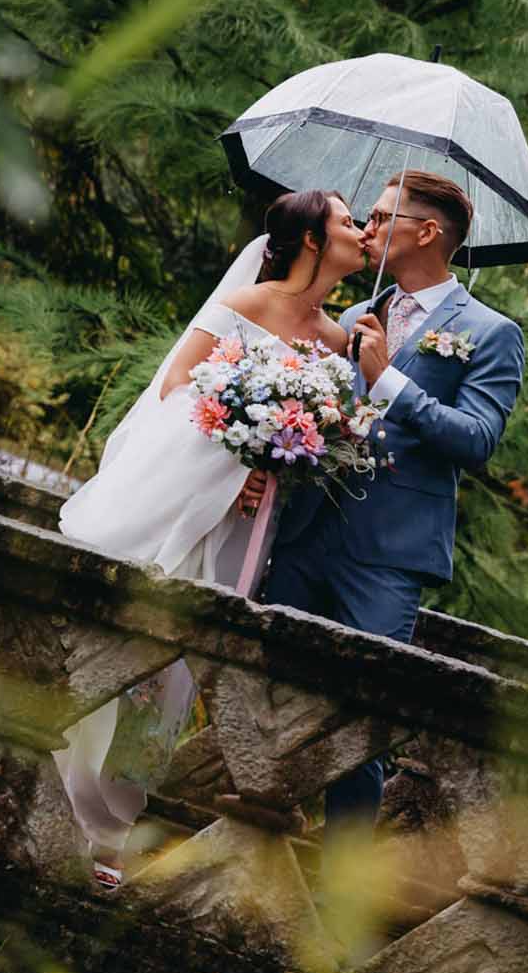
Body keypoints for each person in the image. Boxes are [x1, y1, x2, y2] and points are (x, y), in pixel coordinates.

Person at [53, 187, 367, 890]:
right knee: (126, 649)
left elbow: (321, 441)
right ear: (313, 239)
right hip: (186, 503)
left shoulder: (341, 340)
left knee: (173, 673)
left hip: (243, 528)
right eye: (348, 221)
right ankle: (68, 808)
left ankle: (113, 829)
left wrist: (277, 462)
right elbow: (176, 390)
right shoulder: (248, 305)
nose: (361, 231)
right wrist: (237, 463)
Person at [258, 169, 526, 825]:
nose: (366, 228)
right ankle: (252, 840)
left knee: (359, 725)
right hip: (305, 531)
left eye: (381, 218)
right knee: (270, 690)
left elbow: (477, 440)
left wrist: (390, 384)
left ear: (427, 231)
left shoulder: (491, 333)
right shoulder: (354, 314)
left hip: (388, 555)